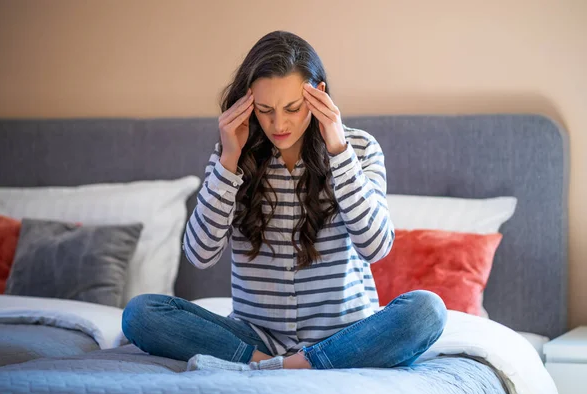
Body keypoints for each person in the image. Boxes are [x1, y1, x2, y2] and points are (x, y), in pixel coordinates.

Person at [122, 30, 446, 371]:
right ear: (248, 104)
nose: (279, 124)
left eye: (292, 108)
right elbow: (200, 254)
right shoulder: (231, 157)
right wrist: (230, 158)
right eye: (265, 110)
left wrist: (338, 150)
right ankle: (271, 363)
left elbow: (375, 247)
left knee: (426, 311)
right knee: (140, 314)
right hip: (255, 338)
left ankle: (297, 365)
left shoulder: (360, 149)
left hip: (345, 336)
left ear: (318, 95)